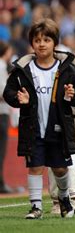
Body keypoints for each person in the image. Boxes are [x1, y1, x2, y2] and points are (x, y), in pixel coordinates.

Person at [2, 19, 75, 219]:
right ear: (32, 43)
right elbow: (8, 92)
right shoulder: (23, 70)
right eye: (37, 40)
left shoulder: (68, 69)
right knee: (35, 167)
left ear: (54, 43)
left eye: (46, 39)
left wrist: (73, 95)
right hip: (32, 127)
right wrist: (17, 99)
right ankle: (36, 207)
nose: (41, 44)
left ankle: (65, 199)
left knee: (60, 168)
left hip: (59, 127)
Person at [0, 41, 13, 194]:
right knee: (1, 150)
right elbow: (3, 91)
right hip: (1, 112)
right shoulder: (2, 65)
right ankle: (1, 183)